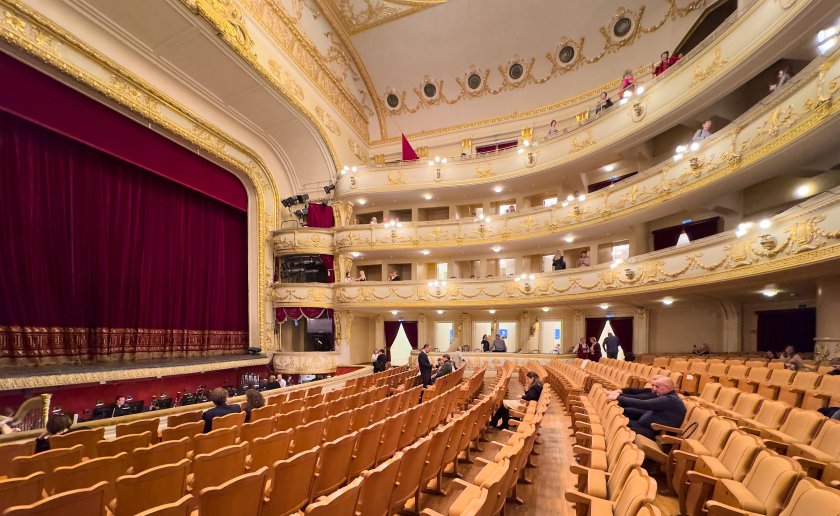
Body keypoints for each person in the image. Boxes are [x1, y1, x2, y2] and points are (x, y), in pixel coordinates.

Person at [608, 377, 685, 439]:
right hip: (644, 426)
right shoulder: (668, 397)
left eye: (657, 386)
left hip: (653, 431)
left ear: (667, 388)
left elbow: (642, 404)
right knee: (616, 422)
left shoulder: (670, 399)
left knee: (619, 430)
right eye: (653, 386)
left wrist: (618, 397)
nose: (654, 389)